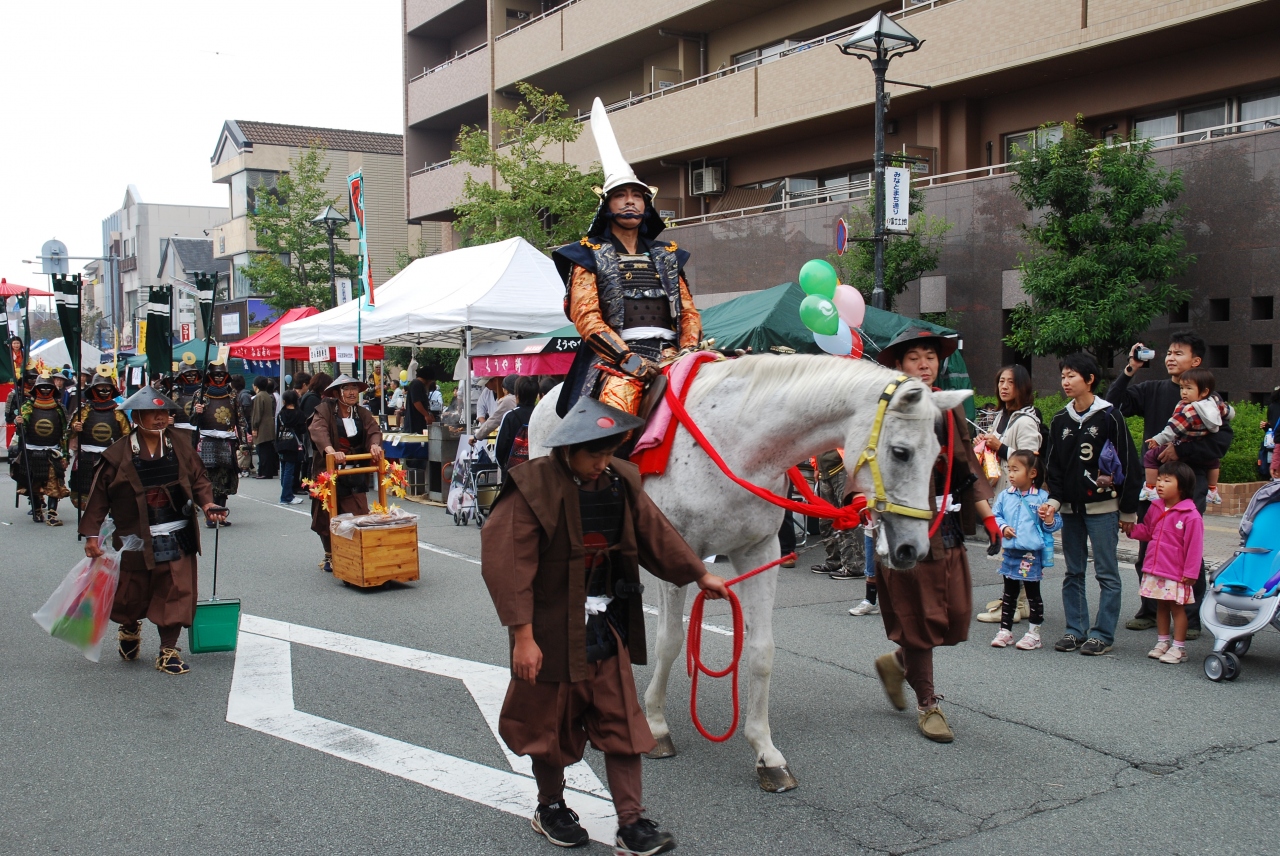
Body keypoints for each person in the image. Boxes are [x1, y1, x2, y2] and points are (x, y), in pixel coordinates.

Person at [480, 396, 728, 855]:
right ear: (568, 448)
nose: (601, 462)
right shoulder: (533, 486)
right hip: (551, 630)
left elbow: (656, 532)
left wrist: (698, 572)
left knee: (623, 723)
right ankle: (551, 806)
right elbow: (507, 563)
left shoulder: (620, 480)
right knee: (550, 729)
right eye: (593, 453)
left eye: (609, 451)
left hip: (606, 624)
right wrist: (522, 637)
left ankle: (631, 822)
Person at [869, 328, 1000, 743]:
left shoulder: (948, 407)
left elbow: (967, 467)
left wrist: (989, 518)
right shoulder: (886, 408)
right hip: (904, 524)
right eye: (914, 358)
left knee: (956, 614)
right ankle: (928, 704)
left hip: (946, 525)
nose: (925, 364)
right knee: (919, 616)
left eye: (930, 356)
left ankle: (897, 663)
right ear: (898, 365)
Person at [551, 98, 701, 419]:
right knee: (615, 415)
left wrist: (688, 350)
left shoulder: (667, 256)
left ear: (646, 204)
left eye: (636, 195)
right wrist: (627, 359)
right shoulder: (588, 254)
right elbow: (587, 318)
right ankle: (606, 468)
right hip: (619, 360)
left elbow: (688, 313)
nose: (630, 201)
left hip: (675, 354)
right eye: (621, 195)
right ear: (607, 205)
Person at [79, 387, 227, 675]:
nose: (161, 419)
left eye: (165, 413)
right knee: (130, 594)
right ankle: (130, 626)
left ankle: (168, 649)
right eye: (153, 414)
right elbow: (98, 497)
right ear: (137, 417)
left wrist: (208, 503)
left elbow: (199, 479)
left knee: (177, 589)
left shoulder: (182, 444)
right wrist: (92, 535)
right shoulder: (117, 454)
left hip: (176, 531)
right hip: (135, 535)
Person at [1106, 334, 1231, 637]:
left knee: (1187, 547)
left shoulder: (1210, 401)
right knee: (1148, 545)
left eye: (1179, 353)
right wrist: (1130, 369)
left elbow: (1221, 444)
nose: (1171, 357)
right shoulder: (1152, 390)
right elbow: (1112, 405)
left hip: (1190, 482)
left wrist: (1181, 451)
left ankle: (1192, 616)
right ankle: (1150, 609)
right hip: (1154, 483)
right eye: (1169, 353)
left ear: (1196, 361)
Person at [1040, 352, 1141, 656]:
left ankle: (1103, 634)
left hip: (1103, 508)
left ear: (1089, 379)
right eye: (1063, 376)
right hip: (1070, 509)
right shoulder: (1060, 419)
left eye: (1071, 376)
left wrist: (1128, 509)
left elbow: (1128, 462)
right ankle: (1075, 629)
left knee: (1107, 572)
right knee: (1073, 571)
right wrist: (1054, 501)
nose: (1065, 382)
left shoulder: (1110, 416)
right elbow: (1053, 467)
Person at [975, 364, 1044, 624]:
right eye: (1001, 381)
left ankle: (1017, 604)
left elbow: (1029, 460)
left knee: (1017, 550)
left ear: (1022, 387)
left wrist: (1000, 447)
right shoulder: (1002, 415)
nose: (1004, 387)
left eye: (1010, 383)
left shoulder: (1025, 419)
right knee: (1012, 549)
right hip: (1005, 492)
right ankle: (1017, 600)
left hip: (1021, 498)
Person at [1125, 461, 1204, 664]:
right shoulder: (1155, 507)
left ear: (1183, 486)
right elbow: (1148, 531)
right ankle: (1162, 642)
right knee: (1161, 606)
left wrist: (1191, 572)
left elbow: (1195, 547)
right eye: (1159, 479)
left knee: (1178, 609)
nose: (1160, 484)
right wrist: (1131, 529)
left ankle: (1179, 647)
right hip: (1156, 569)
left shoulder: (1190, 515)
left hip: (1177, 572)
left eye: (1167, 480)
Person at [308, 375, 383, 573]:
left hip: (355, 469)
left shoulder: (361, 413)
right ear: (336, 393)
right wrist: (331, 451)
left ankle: (354, 553)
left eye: (354, 388)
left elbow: (373, 430)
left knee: (358, 513)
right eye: (347, 388)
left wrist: (374, 445)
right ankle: (330, 554)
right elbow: (318, 430)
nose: (351, 392)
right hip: (329, 471)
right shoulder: (324, 410)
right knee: (326, 516)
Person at [989, 450, 1061, 650]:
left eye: (1015, 469)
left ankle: (1034, 633)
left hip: (1030, 554)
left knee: (1032, 593)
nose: (1010, 474)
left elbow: (1054, 524)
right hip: (1011, 552)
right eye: (1008, 469)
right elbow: (996, 515)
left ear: (1032, 473)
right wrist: (1003, 528)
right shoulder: (1005, 495)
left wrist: (1048, 519)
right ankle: (1005, 631)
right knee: (1009, 593)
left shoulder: (1042, 497)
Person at [1140, 367, 1232, 505]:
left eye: (1188, 388)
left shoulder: (1189, 410)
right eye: (1182, 388)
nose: (1183, 392)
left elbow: (1172, 429)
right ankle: (1212, 490)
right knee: (1214, 462)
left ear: (1204, 391)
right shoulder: (1213, 402)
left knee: (1150, 456)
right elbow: (1228, 411)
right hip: (1200, 448)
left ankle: (1150, 489)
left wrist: (1157, 440)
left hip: (1181, 444)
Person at [66, 366, 131, 510]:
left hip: (111, 457)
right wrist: (75, 429)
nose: (104, 390)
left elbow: (127, 435)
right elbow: (68, 434)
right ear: (94, 388)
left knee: (113, 495)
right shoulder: (84, 410)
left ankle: (111, 524)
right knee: (87, 494)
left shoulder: (118, 412)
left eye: (107, 387)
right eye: (100, 387)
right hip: (87, 457)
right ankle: (91, 526)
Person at [12, 372, 72, 525]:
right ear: (36, 388)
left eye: (48, 387)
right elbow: (22, 430)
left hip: (53, 451)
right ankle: (37, 510)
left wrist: (65, 454)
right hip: (33, 450)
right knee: (34, 483)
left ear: (53, 389)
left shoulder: (59, 408)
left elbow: (64, 433)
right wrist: (18, 422)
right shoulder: (27, 406)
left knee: (55, 482)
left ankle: (52, 514)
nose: (45, 390)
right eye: (42, 387)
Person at [192, 359, 242, 523]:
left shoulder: (232, 394)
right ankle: (210, 515)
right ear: (210, 376)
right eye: (216, 375)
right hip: (208, 441)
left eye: (221, 375)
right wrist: (197, 412)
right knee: (211, 480)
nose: (219, 378)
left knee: (226, 479)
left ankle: (221, 515)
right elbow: (193, 422)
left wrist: (242, 441)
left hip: (227, 440)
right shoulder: (200, 395)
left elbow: (239, 418)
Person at [808, 450, 864, 580]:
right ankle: (835, 561)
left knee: (847, 517)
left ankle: (854, 565)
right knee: (826, 520)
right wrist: (816, 466)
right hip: (825, 470)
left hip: (843, 467)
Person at [495, 376, 538, 475]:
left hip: (514, 474)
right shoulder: (541, 414)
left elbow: (500, 449)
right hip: (536, 473)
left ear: (517, 395)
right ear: (536, 395)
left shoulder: (510, 416)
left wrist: (504, 468)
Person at [276, 390, 307, 506]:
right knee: (290, 470)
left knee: (284, 469)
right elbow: (303, 430)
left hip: (281, 442)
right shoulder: (299, 414)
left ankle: (286, 493)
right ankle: (286, 496)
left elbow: (277, 429)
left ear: (284, 401)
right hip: (294, 444)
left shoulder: (281, 414)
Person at [472, 375, 518, 446]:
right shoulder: (486, 391)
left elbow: (495, 420)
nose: (485, 385)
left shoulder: (507, 400)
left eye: (487, 382)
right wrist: (484, 425)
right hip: (492, 428)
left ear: (495, 380)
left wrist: (476, 436)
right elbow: (480, 408)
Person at [250, 376, 278, 479]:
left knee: (262, 451)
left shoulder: (259, 397)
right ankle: (266, 471)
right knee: (268, 450)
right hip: (269, 425)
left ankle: (264, 472)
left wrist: (254, 427)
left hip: (262, 427)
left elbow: (257, 414)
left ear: (256, 386)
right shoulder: (267, 395)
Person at [172, 354, 203, 444]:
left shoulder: (202, 393)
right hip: (178, 431)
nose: (192, 377)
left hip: (198, 432)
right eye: (188, 374)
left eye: (194, 374)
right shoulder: (174, 392)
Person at [231, 374, 255, 476]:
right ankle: (242, 467)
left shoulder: (243, 395)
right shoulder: (238, 394)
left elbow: (246, 411)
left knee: (244, 447)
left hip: (244, 426)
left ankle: (244, 468)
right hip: (241, 426)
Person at [405, 366, 431, 434]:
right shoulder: (416, 384)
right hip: (415, 422)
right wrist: (426, 415)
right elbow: (416, 402)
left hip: (419, 421)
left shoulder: (418, 384)